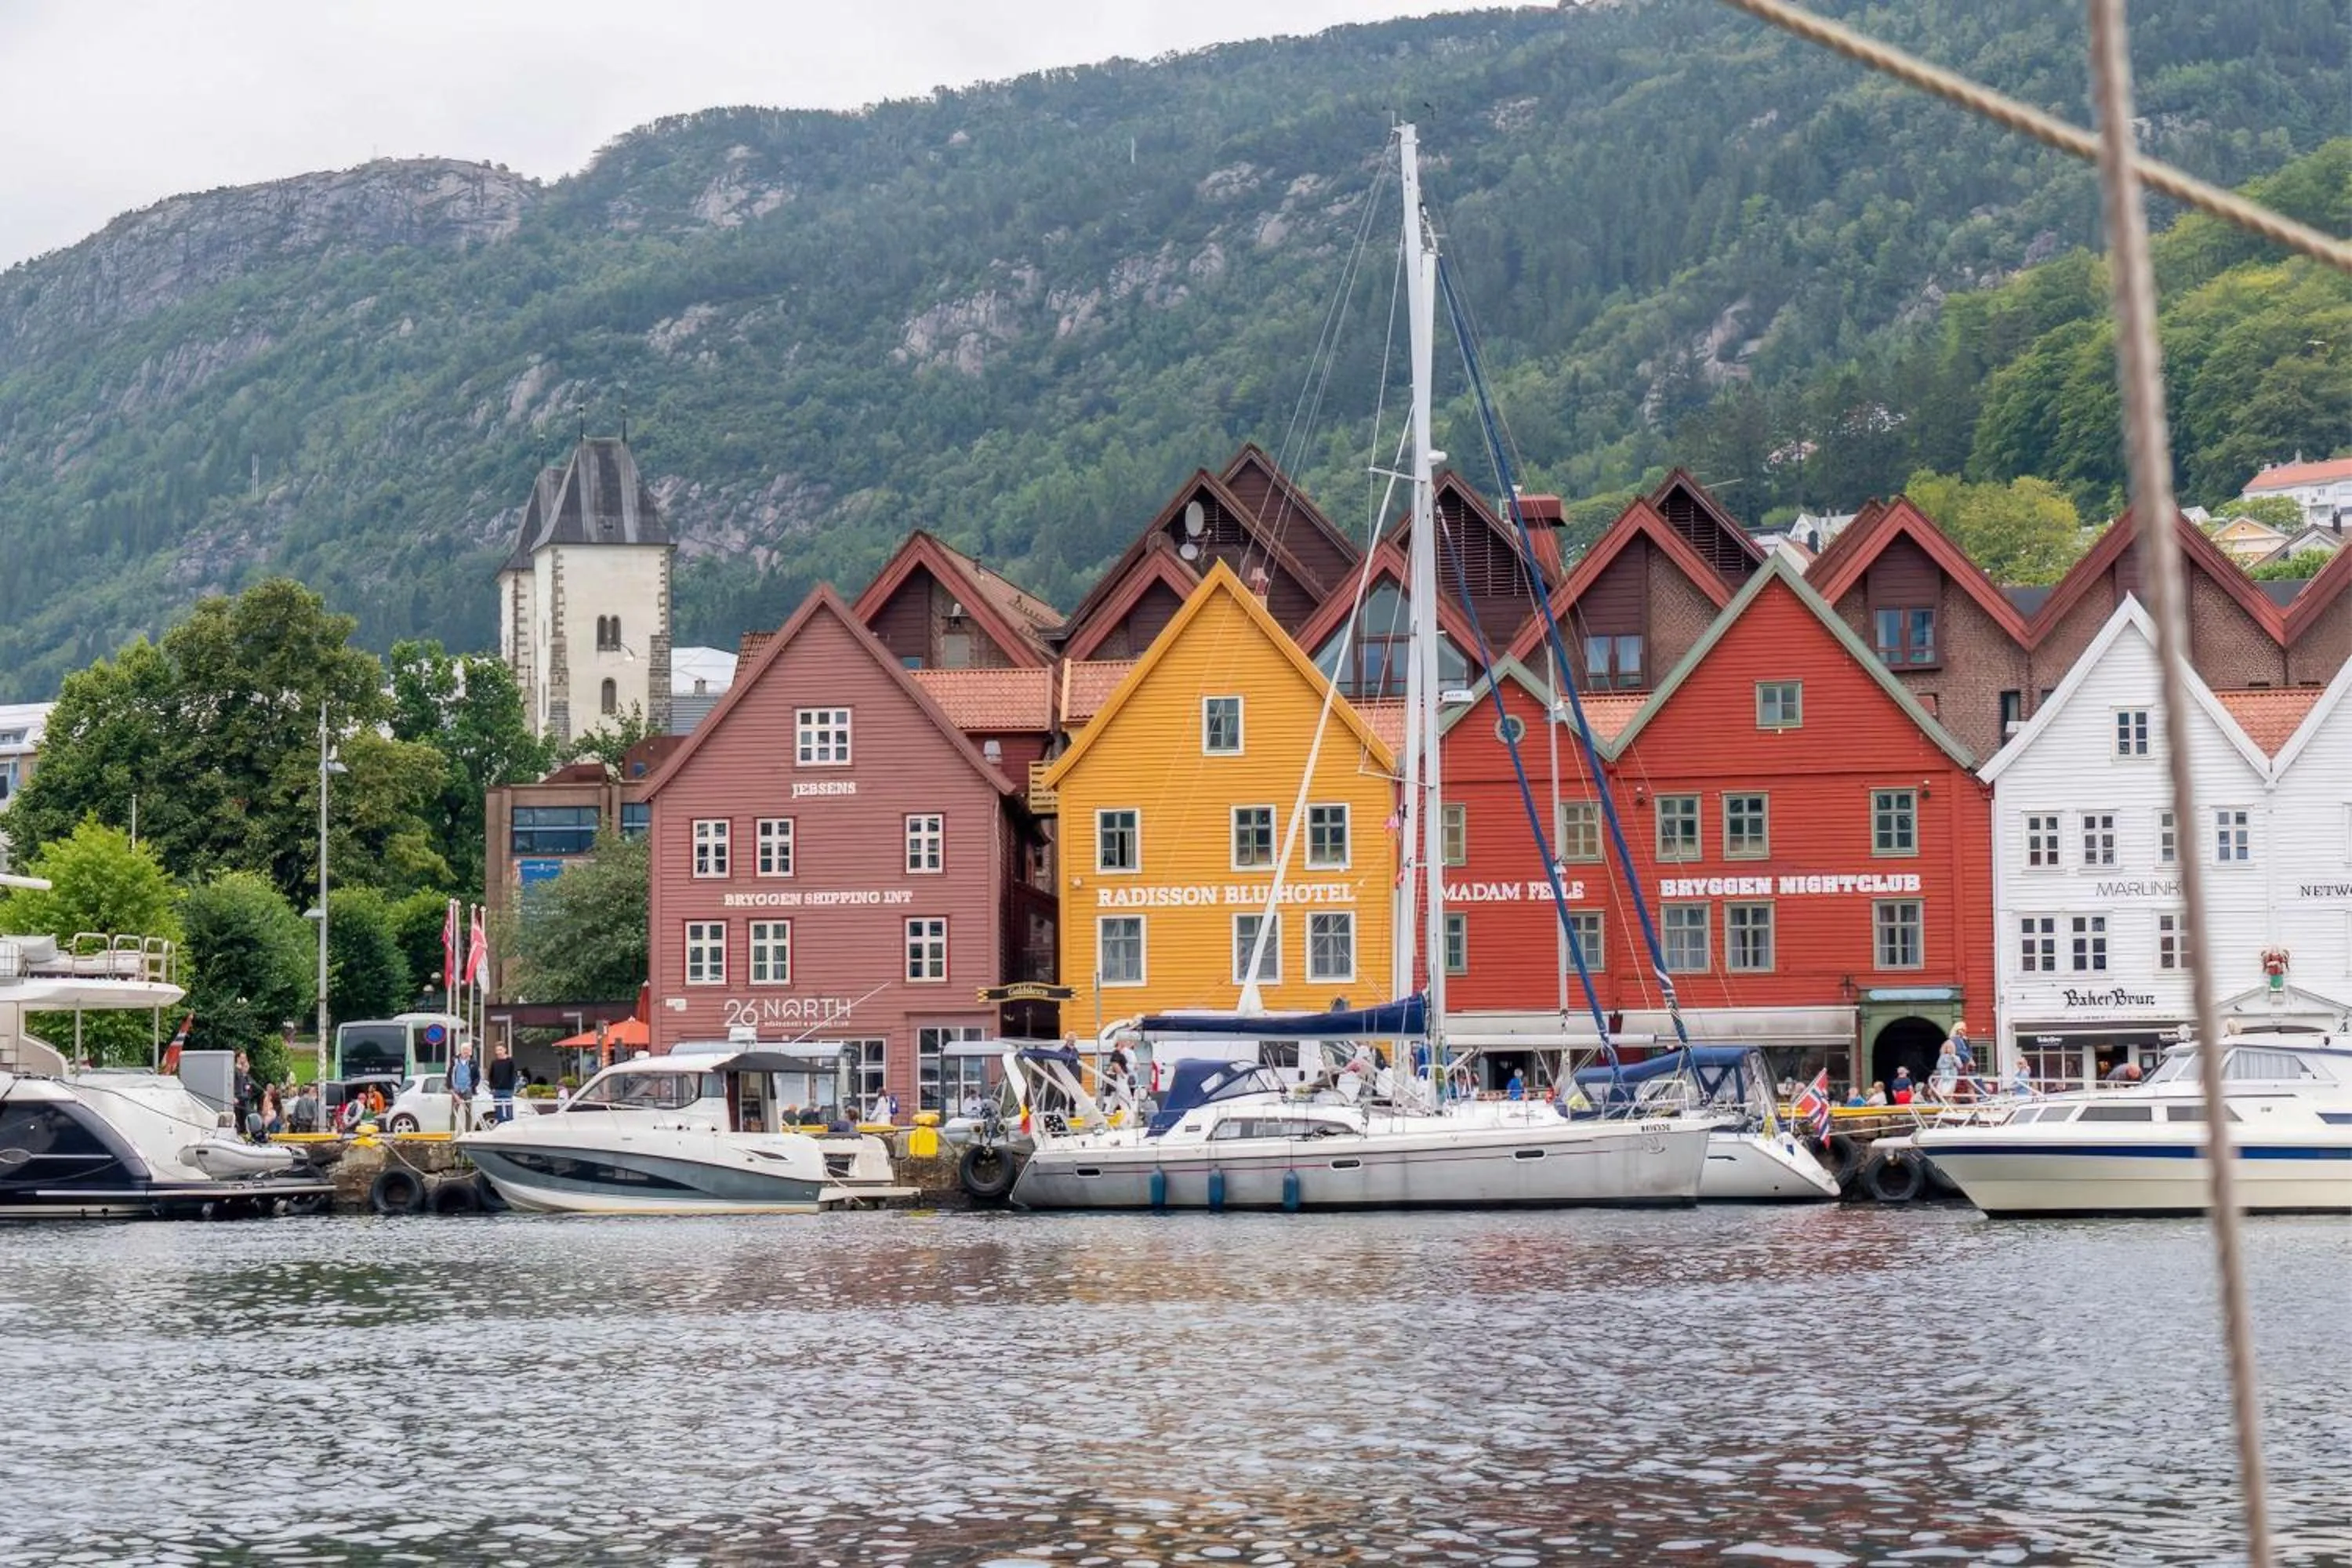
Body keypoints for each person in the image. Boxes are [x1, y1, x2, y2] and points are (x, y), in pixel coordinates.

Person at [448, 1043, 480, 1133]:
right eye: (464, 1049)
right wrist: (451, 1088)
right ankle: (452, 1132)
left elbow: (477, 1077)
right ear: (461, 1051)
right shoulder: (454, 1061)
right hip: (456, 1090)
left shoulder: (473, 1063)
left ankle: (468, 1132)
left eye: (468, 1050)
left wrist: (472, 1086)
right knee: (453, 1112)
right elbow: (449, 1075)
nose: (466, 1052)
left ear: (470, 1052)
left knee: (468, 1113)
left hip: (468, 1090)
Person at [487, 1042, 520, 1125]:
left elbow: (513, 1075)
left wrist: (512, 1087)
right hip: (497, 1090)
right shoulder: (494, 1062)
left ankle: (510, 1126)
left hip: (507, 1090)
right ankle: (500, 1125)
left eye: (501, 1050)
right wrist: (492, 1088)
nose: (499, 1052)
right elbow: (491, 1076)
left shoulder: (510, 1061)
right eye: (497, 1050)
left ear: (505, 1050)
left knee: (508, 1109)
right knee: (499, 1111)